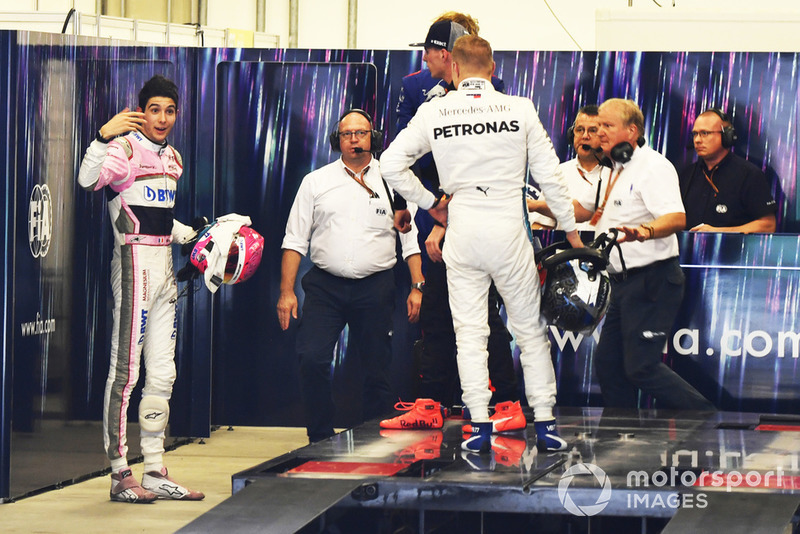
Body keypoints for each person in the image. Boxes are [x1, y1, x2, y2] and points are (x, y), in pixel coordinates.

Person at [381, 35, 582, 454]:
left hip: (464, 229)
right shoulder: (519, 108)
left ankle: (479, 425)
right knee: (530, 331)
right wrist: (570, 231)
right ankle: (544, 424)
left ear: (453, 69)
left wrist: (433, 204)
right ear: (492, 69)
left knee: (469, 333)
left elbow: (389, 164)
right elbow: (551, 177)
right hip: (508, 230)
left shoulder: (435, 110)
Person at [77, 75, 204, 503]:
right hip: (133, 265)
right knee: (126, 372)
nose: (162, 118)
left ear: (177, 113)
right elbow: (86, 180)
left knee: (163, 373)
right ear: (141, 111)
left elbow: (162, 220)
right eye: (154, 110)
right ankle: (118, 473)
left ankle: (154, 469)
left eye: (169, 110)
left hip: (164, 267)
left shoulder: (175, 159)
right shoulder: (125, 148)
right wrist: (100, 136)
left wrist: (196, 235)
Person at [390, 14, 519, 423]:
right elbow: (402, 153)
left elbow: (486, 163)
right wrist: (416, 206)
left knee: (480, 314)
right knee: (436, 309)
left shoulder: (493, 96)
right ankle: (432, 402)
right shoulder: (417, 88)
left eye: (428, 50)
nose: (423, 57)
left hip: (473, 213)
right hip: (435, 208)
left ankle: (503, 403)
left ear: (448, 55)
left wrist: (449, 215)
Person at [277, 109, 424, 443]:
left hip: (376, 287)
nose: (354, 139)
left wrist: (417, 286)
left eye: (361, 133)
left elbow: (409, 239)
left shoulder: (394, 180)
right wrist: (286, 292)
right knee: (312, 358)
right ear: (336, 140)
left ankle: (374, 440)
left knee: (377, 369)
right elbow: (294, 240)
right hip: (325, 286)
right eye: (347, 134)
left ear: (374, 136)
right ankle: (320, 438)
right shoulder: (316, 182)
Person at [569, 98, 715, 411]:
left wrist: (646, 231)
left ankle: (704, 419)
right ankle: (622, 440)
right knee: (609, 365)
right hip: (620, 284)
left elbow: (676, 218)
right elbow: (583, 210)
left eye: (607, 126)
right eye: (596, 127)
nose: (599, 133)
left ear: (632, 131)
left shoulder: (653, 167)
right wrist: (534, 205)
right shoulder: (611, 168)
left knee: (641, 367)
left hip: (653, 280)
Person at [679, 108, 777, 233]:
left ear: (727, 136)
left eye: (705, 133)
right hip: (689, 251)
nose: (697, 140)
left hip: (733, 251)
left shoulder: (749, 175)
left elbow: (768, 225)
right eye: (695, 134)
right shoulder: (686, 175)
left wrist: (718, 233)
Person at [528, 105, 609, 232]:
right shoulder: (559, 173)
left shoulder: (615, 173)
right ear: (572, 134)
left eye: (593, 130)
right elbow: (541, 225)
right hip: (566, 250)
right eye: (580, 130)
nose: (585, 136)